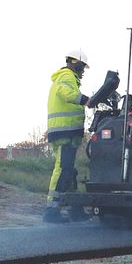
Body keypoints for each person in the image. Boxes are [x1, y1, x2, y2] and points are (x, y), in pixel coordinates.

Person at [43, 50, 94, 223]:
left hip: (66, 133)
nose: (83, 71)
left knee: (69, 171)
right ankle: (52, 211)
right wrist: (87, 100)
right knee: (62, 169)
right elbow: (67, 93)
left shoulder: (67, 77)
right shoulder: (66, 76)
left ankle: (75, 209)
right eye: (81, 66)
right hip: (64, 133)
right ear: (74, 63)